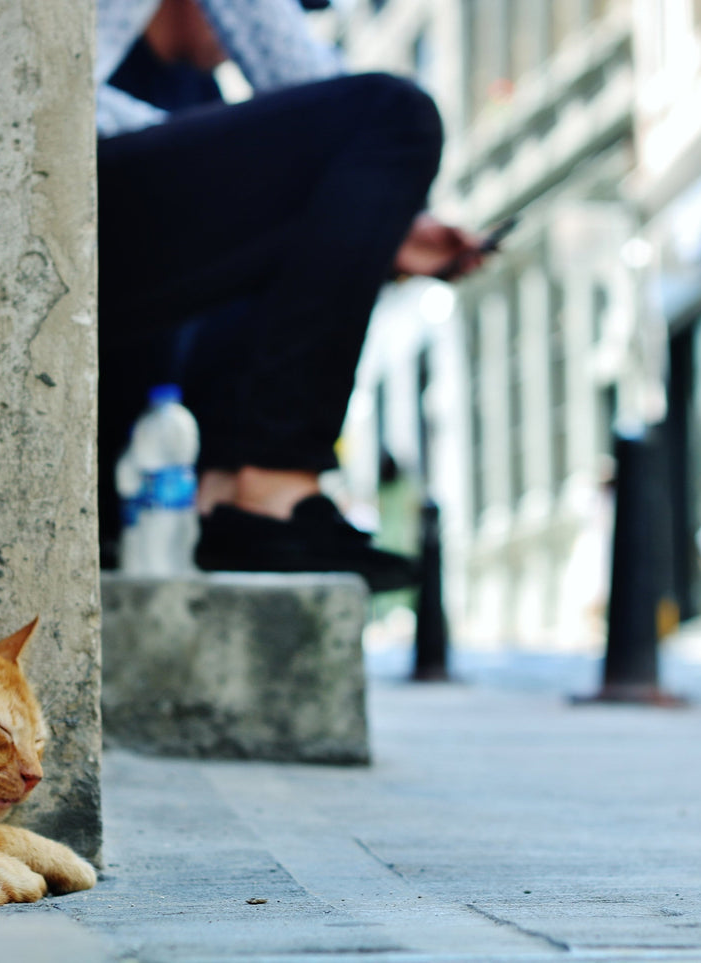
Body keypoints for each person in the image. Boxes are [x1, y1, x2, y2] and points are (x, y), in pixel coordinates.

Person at [97, 0, 488, 590]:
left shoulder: (199, 89)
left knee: (309, 201)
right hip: (34, 170)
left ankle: (225, 486)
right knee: (396, 117)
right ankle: (272, 481)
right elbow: (297, 68)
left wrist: (382, 216)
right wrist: (368, 186)